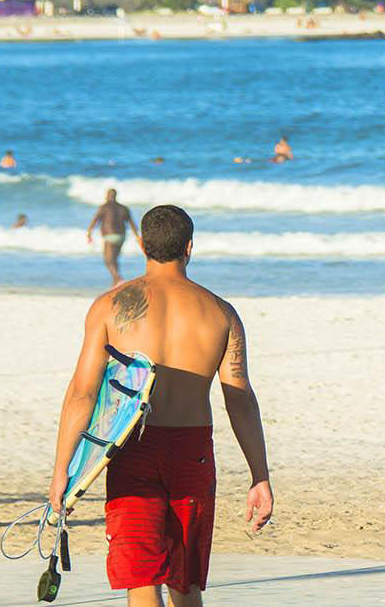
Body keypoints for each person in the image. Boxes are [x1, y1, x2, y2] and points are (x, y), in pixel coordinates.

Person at [48, 205, 273, 607]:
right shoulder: (222, 313)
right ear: (189, 248)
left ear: (140, 244)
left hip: (133, 449)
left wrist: (62, 470)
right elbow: (239, 398)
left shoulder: (109, 306)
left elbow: (82, 393)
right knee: (185, 582)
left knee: (142, 577)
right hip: (193, 453)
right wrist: (260, 475)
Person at [86, 188, 141, 286]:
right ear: (116, 196)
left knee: (108, 261)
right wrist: (137, 237)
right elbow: (132, 223)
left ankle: (119, 279)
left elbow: (95, 220)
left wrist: (89, 232)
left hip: (109, 236)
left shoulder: (103, 207)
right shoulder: (124, 208)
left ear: (107, 196)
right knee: (114, 260)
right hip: (122, 237)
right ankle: (115, 282)